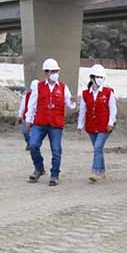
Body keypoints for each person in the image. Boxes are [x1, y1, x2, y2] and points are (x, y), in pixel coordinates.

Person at [24, 58, 76, 187]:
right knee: (33, 144)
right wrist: (29, 120)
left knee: (56, 150)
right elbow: (32, 104)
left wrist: (73, 101)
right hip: (40, 122)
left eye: (56, 71)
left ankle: (54, 175)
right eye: (52, 71)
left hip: (56, 124)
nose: (55, 73)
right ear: (46, 73)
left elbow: (71, 105)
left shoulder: (63, 87)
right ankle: (39, 168)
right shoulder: (38, 86)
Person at [78, 64, 117, 182]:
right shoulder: (85, 93)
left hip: (105, 125)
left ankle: (95, 171)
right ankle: (102, 171)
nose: (100, 79)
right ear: (92, 78)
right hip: (91, 125)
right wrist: (80, 124)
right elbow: (82, 110)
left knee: (97, 147)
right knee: (97, 149)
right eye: (98, 77)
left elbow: (113, 108)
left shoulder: (108, 92)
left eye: (102, 77)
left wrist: (111, 122)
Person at [17, 84, 34, 151]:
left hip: (36, 118)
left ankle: (32, 144)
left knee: (34, 132)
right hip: (26, 117)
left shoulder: (41, 96)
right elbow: (22, 106)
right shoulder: (27, 96)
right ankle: (29, 143)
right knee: (25, 132)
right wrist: (20, 115)